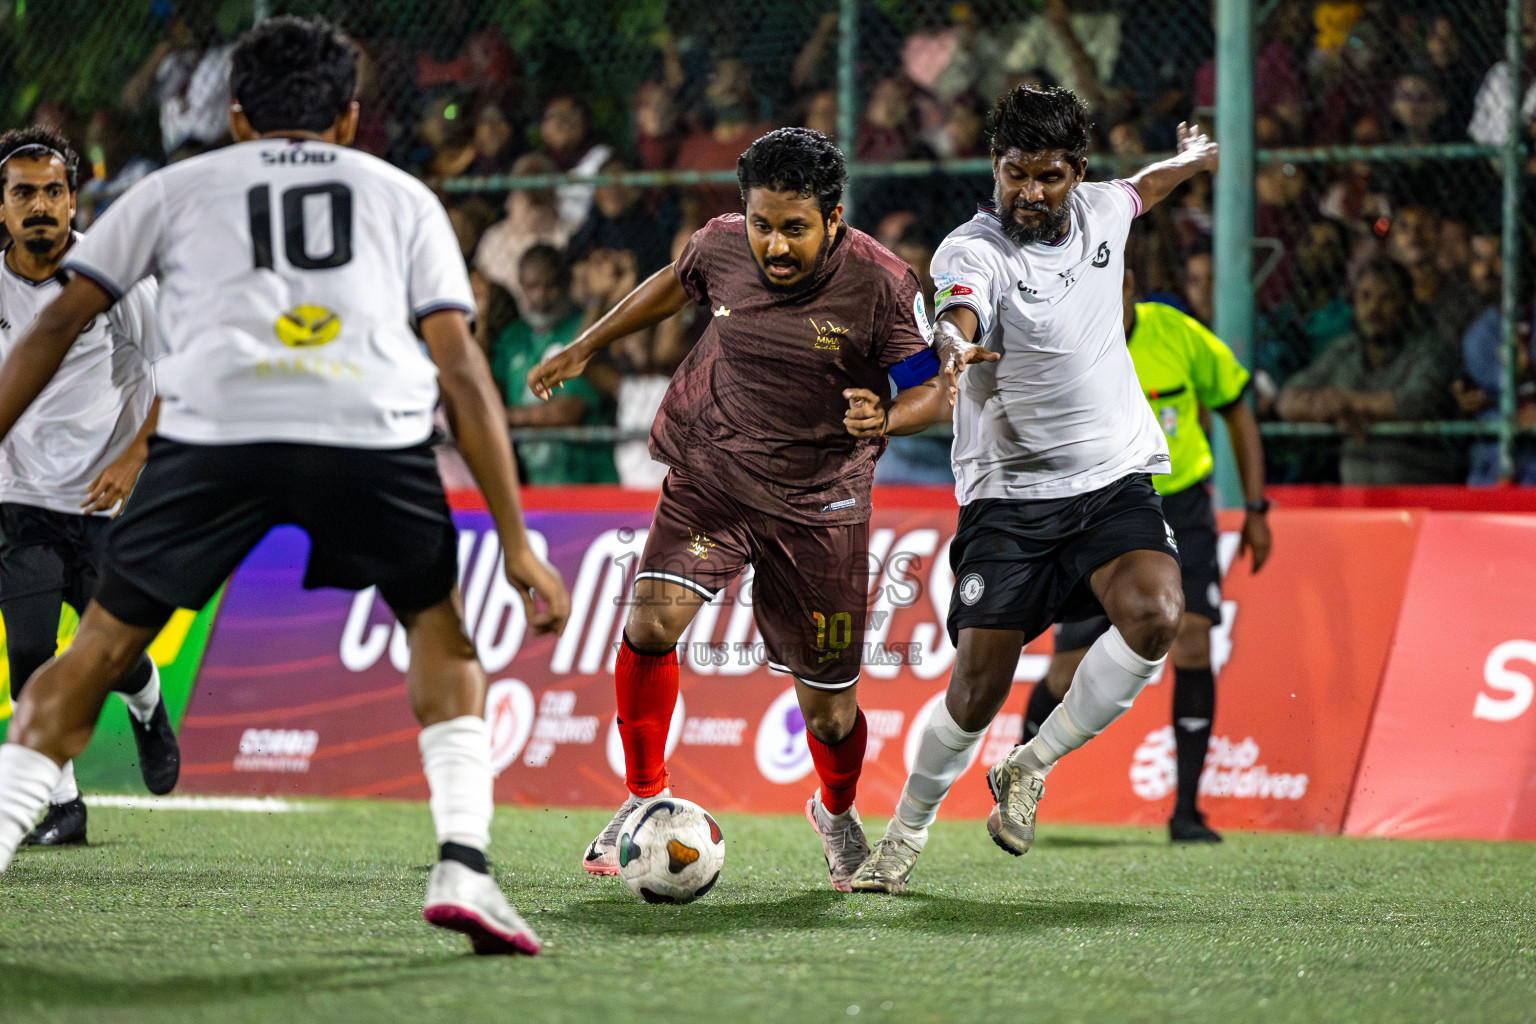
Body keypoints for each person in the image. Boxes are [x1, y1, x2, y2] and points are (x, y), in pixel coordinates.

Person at [0, 18, 570, 958]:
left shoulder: (173, 188)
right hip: (369, 435)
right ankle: (465, 864)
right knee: (442, 633)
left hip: (216, 435)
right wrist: (516, 541)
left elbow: (59, 323)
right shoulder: (404, 196)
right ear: (349, 116)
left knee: (96, 646)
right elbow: (462, 371)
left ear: (233, 115)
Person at [528, 127, 967, 891]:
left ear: (833, 220)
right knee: (650, 621)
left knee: (829, 714)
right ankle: (643, 802)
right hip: (715, 473)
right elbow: (676, 279)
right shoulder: (720, 244)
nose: (774, 245)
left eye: (794, 227)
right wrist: (586, 345)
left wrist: (888, 418)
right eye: (762, 224)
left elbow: (936, 387)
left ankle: (835, 811)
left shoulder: (883, 284)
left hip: (819, 505)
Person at [848, 85, 1220, 894]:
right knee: (977, 689)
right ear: (996, 166)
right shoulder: (970, 250)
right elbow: (958, 313)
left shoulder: (1102, 210)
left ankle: (1032, 764)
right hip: (1009, 497)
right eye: (1015, 173)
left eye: (1048, 176)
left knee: (1158, 615)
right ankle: (903, 837)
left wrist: (1191, 162)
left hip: (1110, 479)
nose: (1030, 192)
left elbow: (1143, 188)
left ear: (1075, 173)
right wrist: (952, 347)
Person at [1025, 270, 1273, 844]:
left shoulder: (1180, 336)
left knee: (1193, 641)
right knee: (1065, 672)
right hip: (1107, 507)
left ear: (1130, 283)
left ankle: (1187, 811)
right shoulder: (1072, 346)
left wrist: (1257, 506)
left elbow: (1235, 405)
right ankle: (1021, 785)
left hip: (1182, 506)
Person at [0, 128, 179, 847]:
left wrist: (137, 455)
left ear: (74, 199)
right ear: (2, 207)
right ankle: (63, 805)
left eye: (52, 192)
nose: (40, 206)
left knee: (114, 654)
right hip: (19, 500)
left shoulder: (120, 278)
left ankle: (147, 711)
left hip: (107, 501)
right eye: (23, 194)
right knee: (32, 655)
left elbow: (181, 373)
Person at [1276, 257, 1462, 484]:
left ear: (1405, 304)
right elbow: (1287, 400)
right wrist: (1328, 406)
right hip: (1357, 495)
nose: (1373, 308)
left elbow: (1416, 401)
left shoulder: (1428, 349)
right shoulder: (1344, 350)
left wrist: (1350, 404)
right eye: (1365, 297)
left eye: (1387, 299)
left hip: (1418, 487)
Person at [494, 245, 618, 484]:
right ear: (520, 284)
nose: (540, 296)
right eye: (531, 287)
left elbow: (567, 412)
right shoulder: (512, 338)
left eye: (549, 286)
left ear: (564, 283)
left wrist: (507, 418)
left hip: (586, 482)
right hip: (533, 484)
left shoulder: (583, 329)